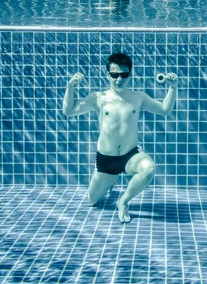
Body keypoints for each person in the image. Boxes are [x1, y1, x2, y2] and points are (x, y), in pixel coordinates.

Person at [62, 53, 178, 222]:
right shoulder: (98, 98)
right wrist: (70, 87)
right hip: (106, 161)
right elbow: (69, 111)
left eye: (124, 74)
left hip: (130, 155)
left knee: (148, 169)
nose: (119, 79)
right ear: (107, 74)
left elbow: (165, 110)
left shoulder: (138, 97)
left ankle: (123, 201)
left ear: (130, 74)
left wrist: (173, 87)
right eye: (114, 74)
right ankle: (110, 180)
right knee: (93, 201)